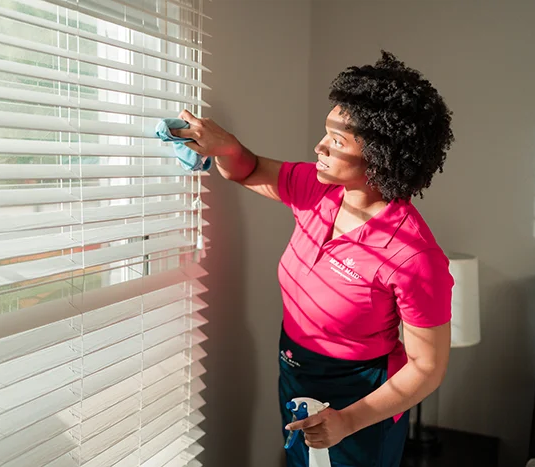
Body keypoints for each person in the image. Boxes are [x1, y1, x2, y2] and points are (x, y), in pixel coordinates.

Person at [170, 51, 455, 467]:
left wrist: (348, 420)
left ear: (380, 157)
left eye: (336, 141)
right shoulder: (318, 190)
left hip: (361, 395)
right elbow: (247, 170)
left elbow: (427, 368)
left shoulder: (412, 256)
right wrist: (222, 145)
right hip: (296, 369)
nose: (319, 146)